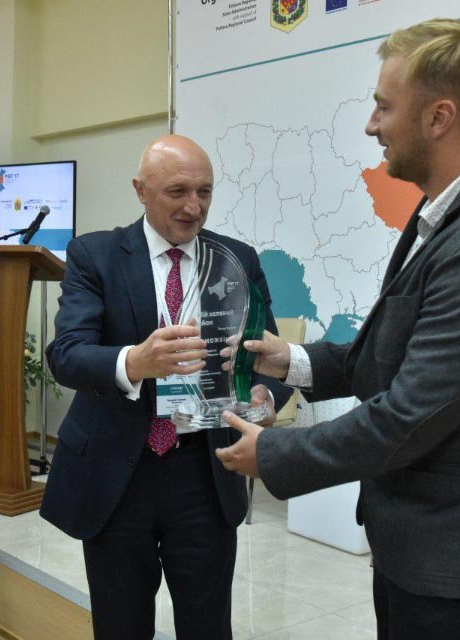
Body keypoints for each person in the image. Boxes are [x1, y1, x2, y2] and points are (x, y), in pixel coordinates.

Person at [215, 18, 460, 640]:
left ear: (439, 117)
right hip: (426, 541)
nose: (371, 125)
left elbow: (411, 413)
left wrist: (273, 453)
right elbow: (397, 353)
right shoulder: (454, 212)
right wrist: (291, 360)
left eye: (384, 107)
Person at [41, 134, 291, 640]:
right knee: (121, 625)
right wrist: (135, 362)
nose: (193, 207)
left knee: (207, 625)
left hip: (205, 471)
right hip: (118, 473)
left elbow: (268, 354)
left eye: (204, 191)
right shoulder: (95, 254)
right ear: (140, 190)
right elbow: (66, 354)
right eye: (177, 191)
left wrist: (264, 397)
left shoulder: (237, 259)